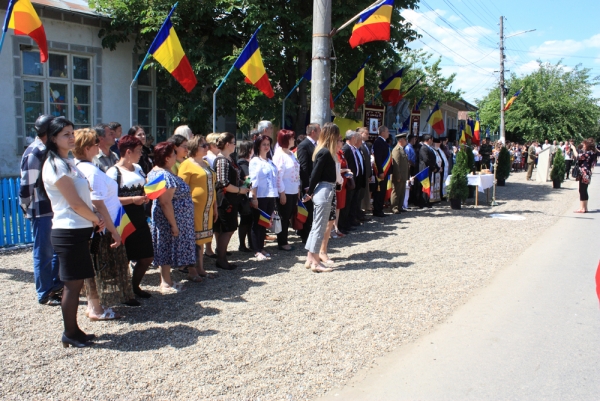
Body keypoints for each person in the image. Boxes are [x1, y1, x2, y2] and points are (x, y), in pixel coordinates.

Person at [42, 117, 105, 348]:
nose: (71, 137)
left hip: (78, 229)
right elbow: (75, 203)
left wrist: (92, 219)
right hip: (67, 230)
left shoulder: (68, 161)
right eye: (65, 134)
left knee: (77, 283)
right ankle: (69, 332)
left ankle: (75, 330)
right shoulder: (54, 164)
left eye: (72, 133)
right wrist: (96, 218)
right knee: (72, 285)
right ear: (53, 138)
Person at [74, 128, 137, 308]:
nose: (98, 147)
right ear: (87, 148)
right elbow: (98, 204)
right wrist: (113, 231)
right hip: (105, 224)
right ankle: (99, 305)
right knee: (101, 267)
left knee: (101, 266)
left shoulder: (81, 167)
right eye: (95, 144)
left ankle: (103, 302)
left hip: (106, 221)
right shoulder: (91, 171)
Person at [19, 115, 63, 306]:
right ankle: (44, 292)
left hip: (53, 208)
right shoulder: (35, 152)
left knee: (56, 251)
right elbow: (26, 185)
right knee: (43, 251)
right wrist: (26, 207)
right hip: (41, 209)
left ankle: (55, 286)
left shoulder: (48, 150)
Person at [107, 135, 154, 299]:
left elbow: (144, 187)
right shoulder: (113, 172)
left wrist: (147, 194)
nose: (141, 154)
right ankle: (124, 292)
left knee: (147, 255)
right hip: (122, 217)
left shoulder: (138, 168)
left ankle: (134, 286)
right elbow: (109, 199)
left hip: (139, 216)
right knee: (124, 258)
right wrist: (133, 199)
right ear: (128, 152)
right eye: (139, 151)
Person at [148, 142, 196, 293]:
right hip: (168, 219)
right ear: (168, 158)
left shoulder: (156, 171)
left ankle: (167, 280)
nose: (176, 156)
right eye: (174, 154)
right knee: (166, 247)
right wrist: (174, 225)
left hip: (167, 218)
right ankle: (165, 282)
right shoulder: (164, 175)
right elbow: (165, 202)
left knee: (166, 247)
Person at [178, 135, 219, 281]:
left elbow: (212, 186)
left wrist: (215, 205)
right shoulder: (186, 164)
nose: (207, 147)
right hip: (193, 208)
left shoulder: (206, 163)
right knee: (193, 239)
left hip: (207, 208)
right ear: (195, 148)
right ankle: (192, 270)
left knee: (202, 239)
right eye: (204, 145)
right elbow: (181, 188)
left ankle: (201, 268)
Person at [303, 122, 340, 273]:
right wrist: (309, 192)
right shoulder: (325, 152)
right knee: (319, 228)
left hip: (324, 189)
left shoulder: (325, 151)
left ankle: (310, 258)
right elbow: (315, 175)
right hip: (324, 190)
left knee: (316, 227)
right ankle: (316, 262)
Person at [214, 132, 250, 269]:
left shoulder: (229, 159)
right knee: (227, 229)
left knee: (230, 228)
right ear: (228, 144)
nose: (236, 145)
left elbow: (233, 178)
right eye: (234, 142)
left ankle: (221, 257)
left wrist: (243, 183)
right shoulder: (222, 160)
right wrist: (240, 190)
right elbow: (223, 182)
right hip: (225, 199)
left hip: (231, 198)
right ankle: (221, 259)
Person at [249, 135, 278, 260]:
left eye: (268, 144)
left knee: (265, 222)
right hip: (260, 195)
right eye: (264, 144)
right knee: (257, 223)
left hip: (270, 195)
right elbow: (253, 181)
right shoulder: (255, 161)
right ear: (258, 146)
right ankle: (256, 249)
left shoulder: (270, 161)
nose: (266, 147)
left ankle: (261, 246)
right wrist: (254, 197)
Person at [272, 130, 300, 251]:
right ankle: (282, 242)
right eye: (292, 138)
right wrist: (281, 192)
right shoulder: (279, 155)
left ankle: (285, 239)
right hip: (285, 191)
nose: (294, 140)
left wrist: (298, 188)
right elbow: (278, 176)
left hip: (293, 189)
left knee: (288, 215)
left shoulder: (290, 153)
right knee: (284, 216)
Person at [296, 123, 320, 243]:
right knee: (308, 211)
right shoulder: (304, 145)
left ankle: (311, 233)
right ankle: (305, 235)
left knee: (313, 211)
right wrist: (306, 185)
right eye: (319, 130)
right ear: (313, 132)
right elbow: (304, 167)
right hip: (308, 184)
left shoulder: (317, 145)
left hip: (316, 182)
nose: (320, 132)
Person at [341, 130, 364, 233]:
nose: (357, 139)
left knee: (352, 202)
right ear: (352, 138)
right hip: (348, 180)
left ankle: (349, 221)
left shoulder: (353, 148)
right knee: (347, 204)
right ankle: (344, 224)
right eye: (355, 137)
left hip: (354, 179)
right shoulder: (346, 148)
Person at [237, 140, 254, 252]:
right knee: (245, 220)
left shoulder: (246, 162)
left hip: (248, 194)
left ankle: (250, 243)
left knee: (249, 220)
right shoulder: (242, 163)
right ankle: (242, 245)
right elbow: (248, 178)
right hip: (245, 196)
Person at [372, 126, 392, 217]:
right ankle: (377, 210)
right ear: (382, 132)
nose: (389, 133)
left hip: (385, 170)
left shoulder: (384, 142)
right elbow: (378, 159)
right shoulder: (378, 142)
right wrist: (380, 171)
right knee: (379, 191)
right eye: (387, 131)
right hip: (381, 171)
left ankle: (379, 209)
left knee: (382, 191)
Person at [574, 138, 596, 213]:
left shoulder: (588, 153)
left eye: (584, 144)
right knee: (584, 190)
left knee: (582, 190)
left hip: (584, 173)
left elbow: (577, 156)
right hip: (586, 173)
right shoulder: (591, 153)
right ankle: (585, 207)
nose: (583, 145)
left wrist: (573, 148)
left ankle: (582, 208)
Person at [391, 132, 409, 214]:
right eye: (405, 139)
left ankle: (400, 206)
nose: (406, 141)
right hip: (399, 175)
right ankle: (394, 207)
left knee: (402, 192)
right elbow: (396, 164)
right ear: (400, 140)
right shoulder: (396, 150)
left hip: (403, 175)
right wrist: (398, 176)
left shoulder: (402, 149)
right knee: (396, 191)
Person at [419, 134, 438, 208]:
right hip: (424, 169)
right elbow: (426, 159)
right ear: (429, 140)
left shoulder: (429, 148)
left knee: (428, 185)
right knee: (424, 185)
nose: (432, 141)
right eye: (432, 139)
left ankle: (427, 200)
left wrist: (436, 167)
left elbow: (433, 159)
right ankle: (423, 202)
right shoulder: (423, 148)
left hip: (429, 169)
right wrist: (433, 167)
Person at [359, 127, 374, 215]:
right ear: (361, 134)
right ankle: (361, 211)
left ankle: (363, 210)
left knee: (365, 194)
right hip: (362, 174)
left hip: (366, 173)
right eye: (366, 133)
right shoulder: (359, 145)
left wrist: (369, 174)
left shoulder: (365, 145)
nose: (368, 135)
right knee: (362, 195)